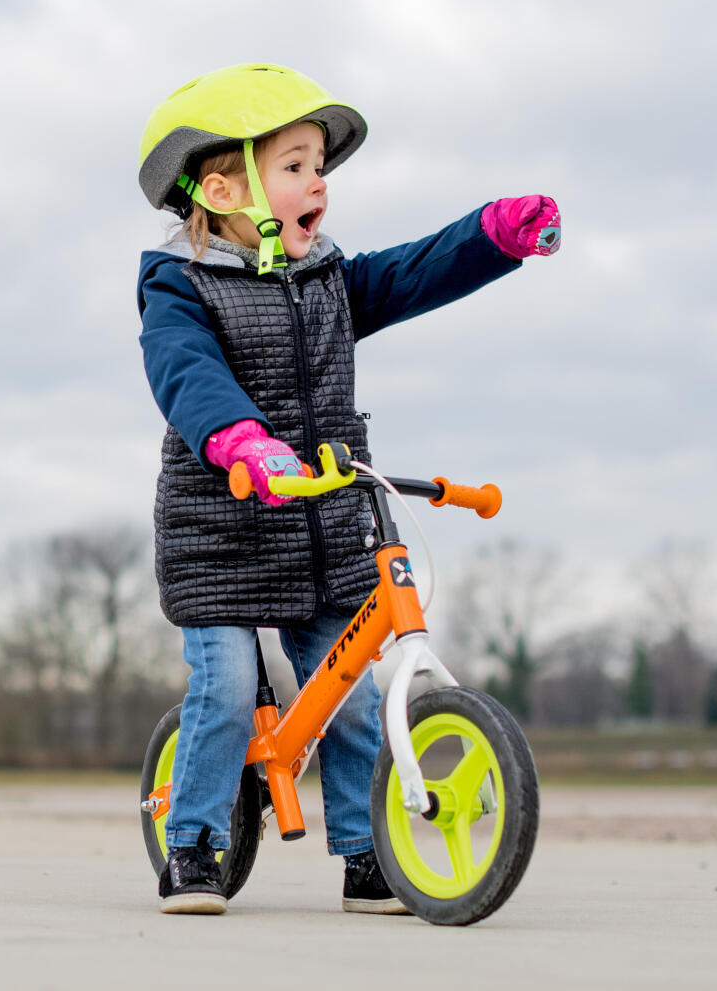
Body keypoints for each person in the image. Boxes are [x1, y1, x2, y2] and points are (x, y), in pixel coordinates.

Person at [135, 63, 560, 916]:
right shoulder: (177, 284)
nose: (318, 181)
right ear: (222, 187)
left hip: (321, 519)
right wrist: (243, 442)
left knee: (357, 693)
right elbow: (186, 373)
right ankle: (195, 843)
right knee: (222, 687)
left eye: (320, 166)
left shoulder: (327, 280)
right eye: (294, 165)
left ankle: (371, 856)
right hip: (221, 521)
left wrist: (490, 235)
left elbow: (411, 272)